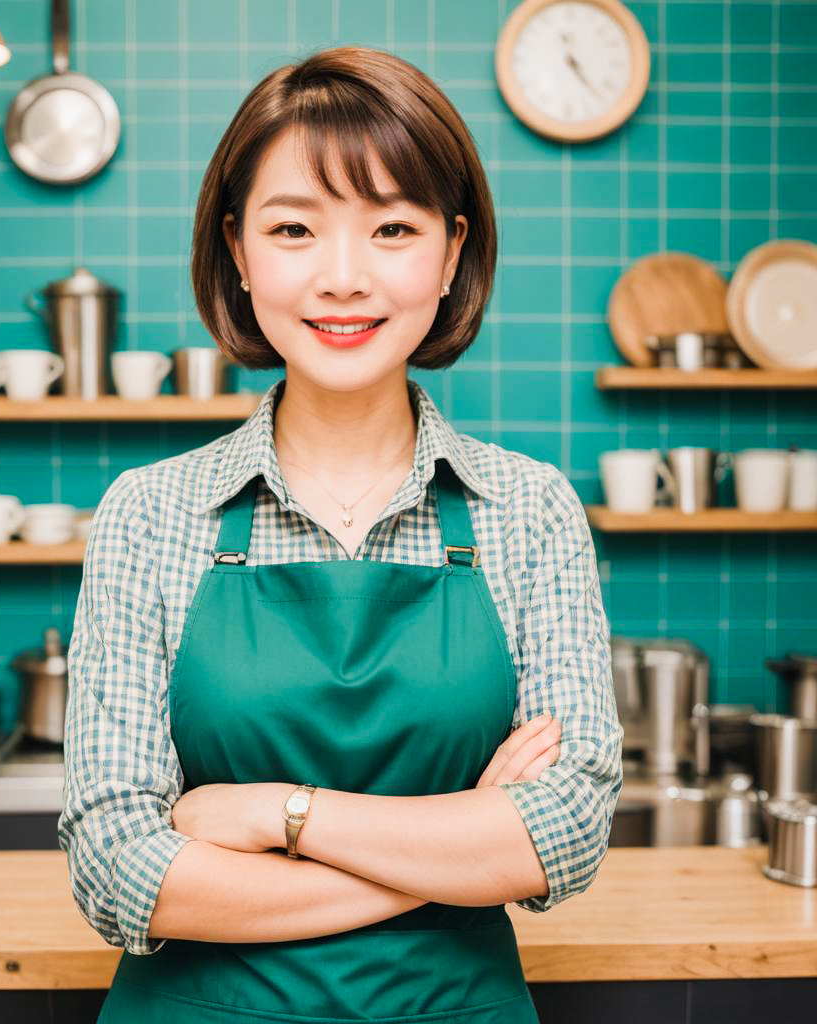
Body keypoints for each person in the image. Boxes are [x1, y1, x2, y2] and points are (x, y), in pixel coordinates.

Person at [60, 45, 624, 1024]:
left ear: (451, 253)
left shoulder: (531, 511)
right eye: (293, 228)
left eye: (393, 227)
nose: (343, 277)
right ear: (236, 250)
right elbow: (117, 869)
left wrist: (279, 815)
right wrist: (458, 851)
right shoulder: (148, 513)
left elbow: (565, 834)